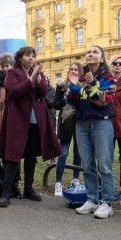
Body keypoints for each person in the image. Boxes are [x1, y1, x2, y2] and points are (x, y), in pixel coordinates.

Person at [0, 46, 61, 207]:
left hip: (35, 120)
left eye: (33, 55)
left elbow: (43, 93)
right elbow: (15, 91)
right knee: (13, 156)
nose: (31, 58)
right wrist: (32, 78)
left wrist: (39, 79)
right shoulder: (12, 72)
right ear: (19, 58)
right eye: (27, 55)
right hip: (17, 120)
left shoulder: (37, 73)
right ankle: (7, 192)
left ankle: (28, 189)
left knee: (31, 156)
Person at [67, 46, 115, 219]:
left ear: (101, 59)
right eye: (88, 52)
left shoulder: (108, 78)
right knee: (87, 165)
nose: (90, 54)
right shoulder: (79, 77)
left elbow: (103, 101)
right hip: (82, 124)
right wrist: (73, 87)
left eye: (94, 52)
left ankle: (107, 203)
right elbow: (72, 101)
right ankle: (92, 199)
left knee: (104, 166)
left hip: (101, 124)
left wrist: (92, 84)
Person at [0, 53, 22, 199]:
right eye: (3, 66)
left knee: (14, 154)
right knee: (1, 153)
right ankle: (6, 184)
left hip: (13, 120)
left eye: (8, 65)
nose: (6, 69)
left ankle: (14, 184)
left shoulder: (16, 79)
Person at [53, 63, 83, 197]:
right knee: (63, 153)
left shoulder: (83, 85)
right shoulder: (61, 87)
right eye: (71, 69)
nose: (73, 71)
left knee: (78, 153)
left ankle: (75, 179)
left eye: (76, 69)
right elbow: (56, 105)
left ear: (80, 72)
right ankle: (58, 182)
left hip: (79, 122)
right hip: (65, 123)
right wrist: (66, 99)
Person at [111, 55, 121, 164]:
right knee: (105, 159)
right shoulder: (106, 82)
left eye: (120, 64)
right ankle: (104, 181)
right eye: (115, 63)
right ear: (111, 66)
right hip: (107, 126)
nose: (118, 65)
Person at [45, 76, 56, 165]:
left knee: (50, 139)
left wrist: (43, 94)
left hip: (50, 117)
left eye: (46, 79)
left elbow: (51, 103)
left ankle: (52, 158)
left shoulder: (52, 91)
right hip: (40, 117)